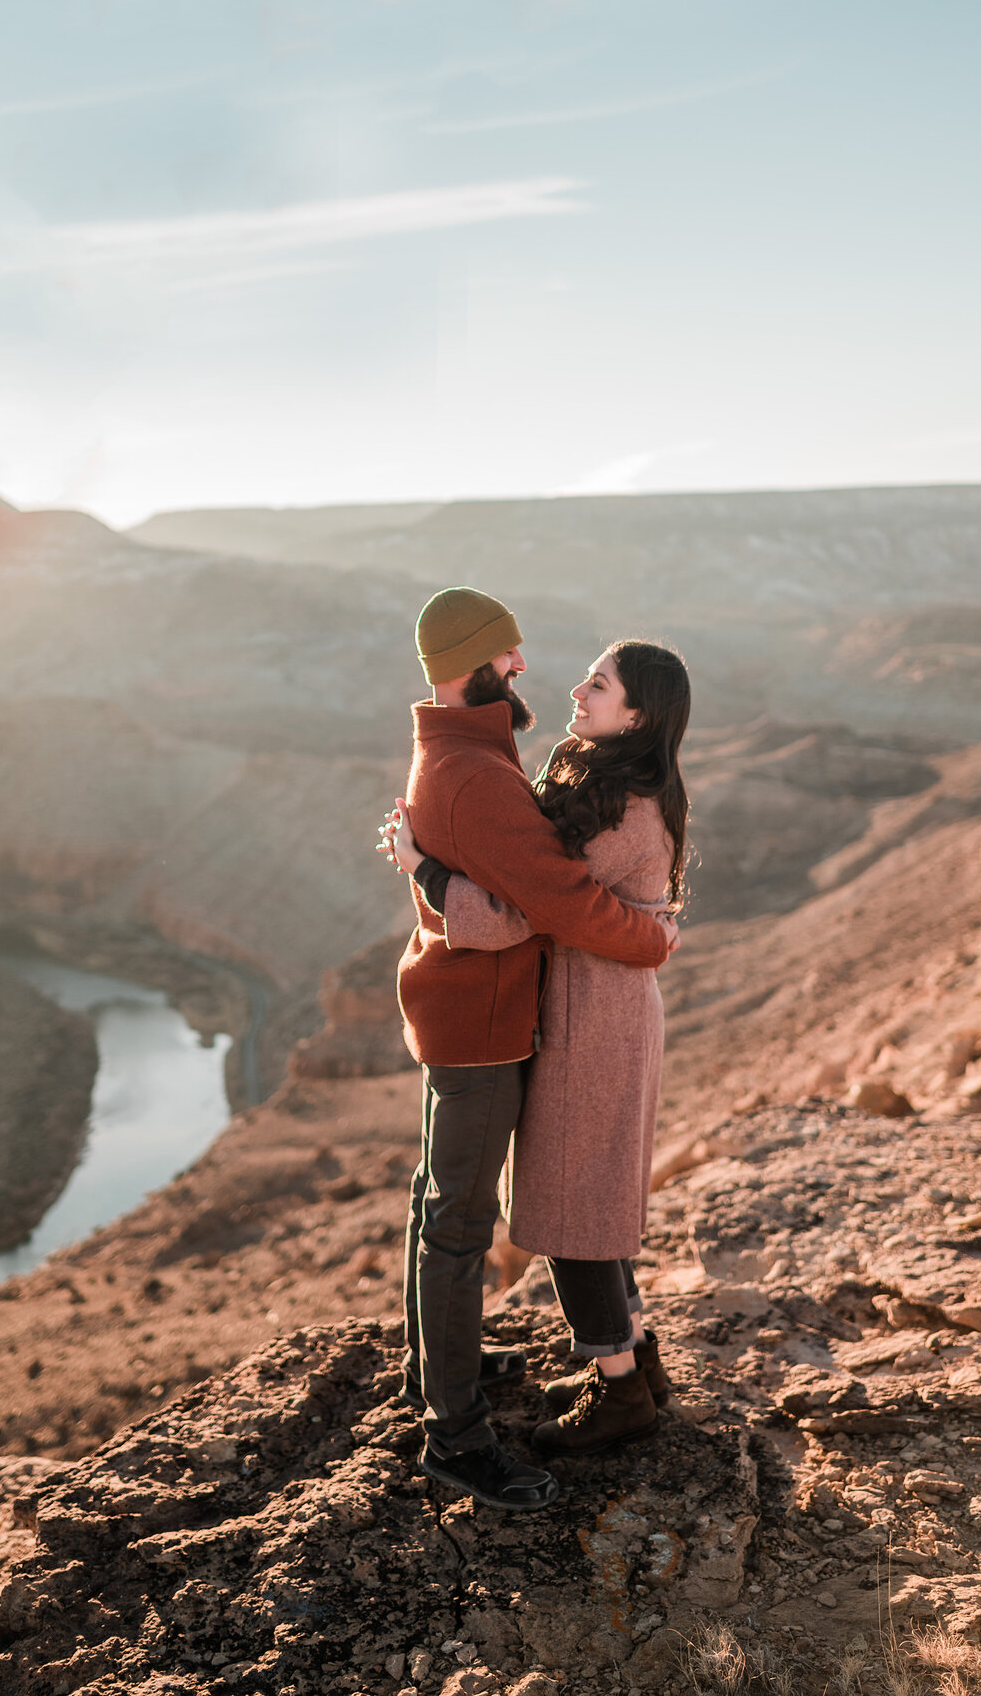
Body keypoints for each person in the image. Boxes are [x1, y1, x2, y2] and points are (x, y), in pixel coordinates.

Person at [379, 588, 677, 1513]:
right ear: (477, 664)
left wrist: (428, 875)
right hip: (488, 1026)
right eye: (509, 656)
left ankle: (452, 1372)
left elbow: (528, 890)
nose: (528, 669)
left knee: (465, 1211)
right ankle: (456, 1435)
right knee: (461, 1224)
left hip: (519, 1019)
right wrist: (653, 935)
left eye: (598, 681)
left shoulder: (475, 753)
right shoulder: (477, 769)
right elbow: (537, 908)